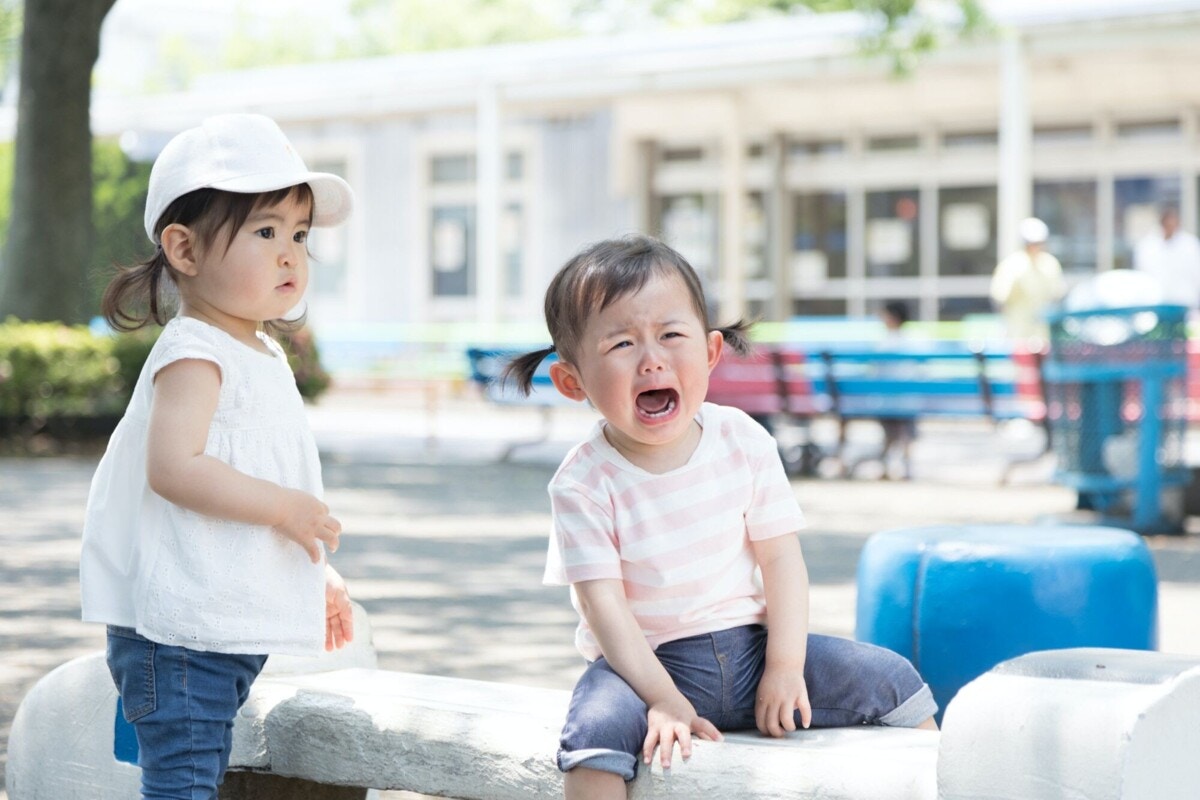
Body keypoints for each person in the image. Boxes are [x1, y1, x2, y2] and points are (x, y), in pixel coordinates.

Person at [503, 235, 937, 800]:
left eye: (670, 335)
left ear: (709, 352)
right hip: (644, 667)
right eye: (622, 343)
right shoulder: (583, 482)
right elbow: (602, 606)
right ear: (572, 381)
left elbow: (781, 559)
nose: (652, 358)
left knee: (892, 678)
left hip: (755, 652)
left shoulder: (742, 439)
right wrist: (661, 698)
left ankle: (949, 785)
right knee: (592, 736)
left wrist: (785, 666)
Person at [79, 113, 357, 799]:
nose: (291, 253)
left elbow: (257, 483)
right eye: (265, 232)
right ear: (185, 249)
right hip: (177, 643)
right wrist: (288, 510)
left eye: (299, 234)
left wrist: (308, 575)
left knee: (195, 773)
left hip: (211, 631)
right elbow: (176, 470)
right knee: (183, 781)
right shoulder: (195, 352)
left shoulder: (257, 352)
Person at [989, 216, 1067, 341]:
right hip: (1018, 335)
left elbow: (1058, 296)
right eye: (1031, 243)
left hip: (1045, 336)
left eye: (1038, 243)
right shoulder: (1011, 265)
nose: (1035, 247)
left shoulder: (1050, 264)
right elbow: (1000, 298)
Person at [1133, 206, 1200, 309]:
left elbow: (1196, 273)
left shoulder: (1190, 244)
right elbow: (1143, 276)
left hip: (1186, 301)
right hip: (1156, 303)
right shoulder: (1147, 246)